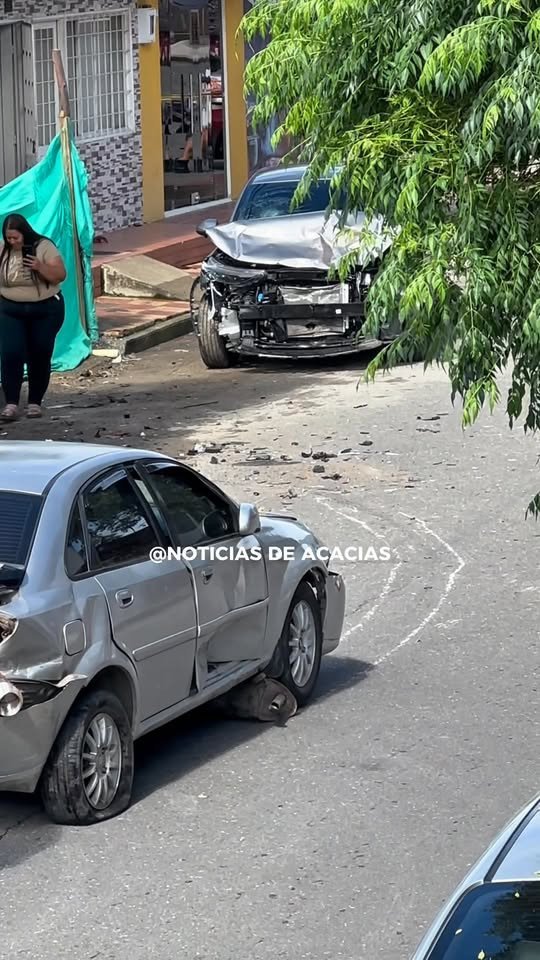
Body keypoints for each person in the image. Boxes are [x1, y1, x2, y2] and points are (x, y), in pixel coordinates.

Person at [0, 213, 66, 421]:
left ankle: (35, 402)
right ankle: (11, 403)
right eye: (9, 238)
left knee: (39, 353)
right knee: (11, 354)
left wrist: (39, 266)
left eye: (15, 238)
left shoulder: (44, 247)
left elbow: (60, 275)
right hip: (10, 308)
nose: (12, 242)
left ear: (24, 234)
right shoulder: (3, 249)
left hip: (45, 310)